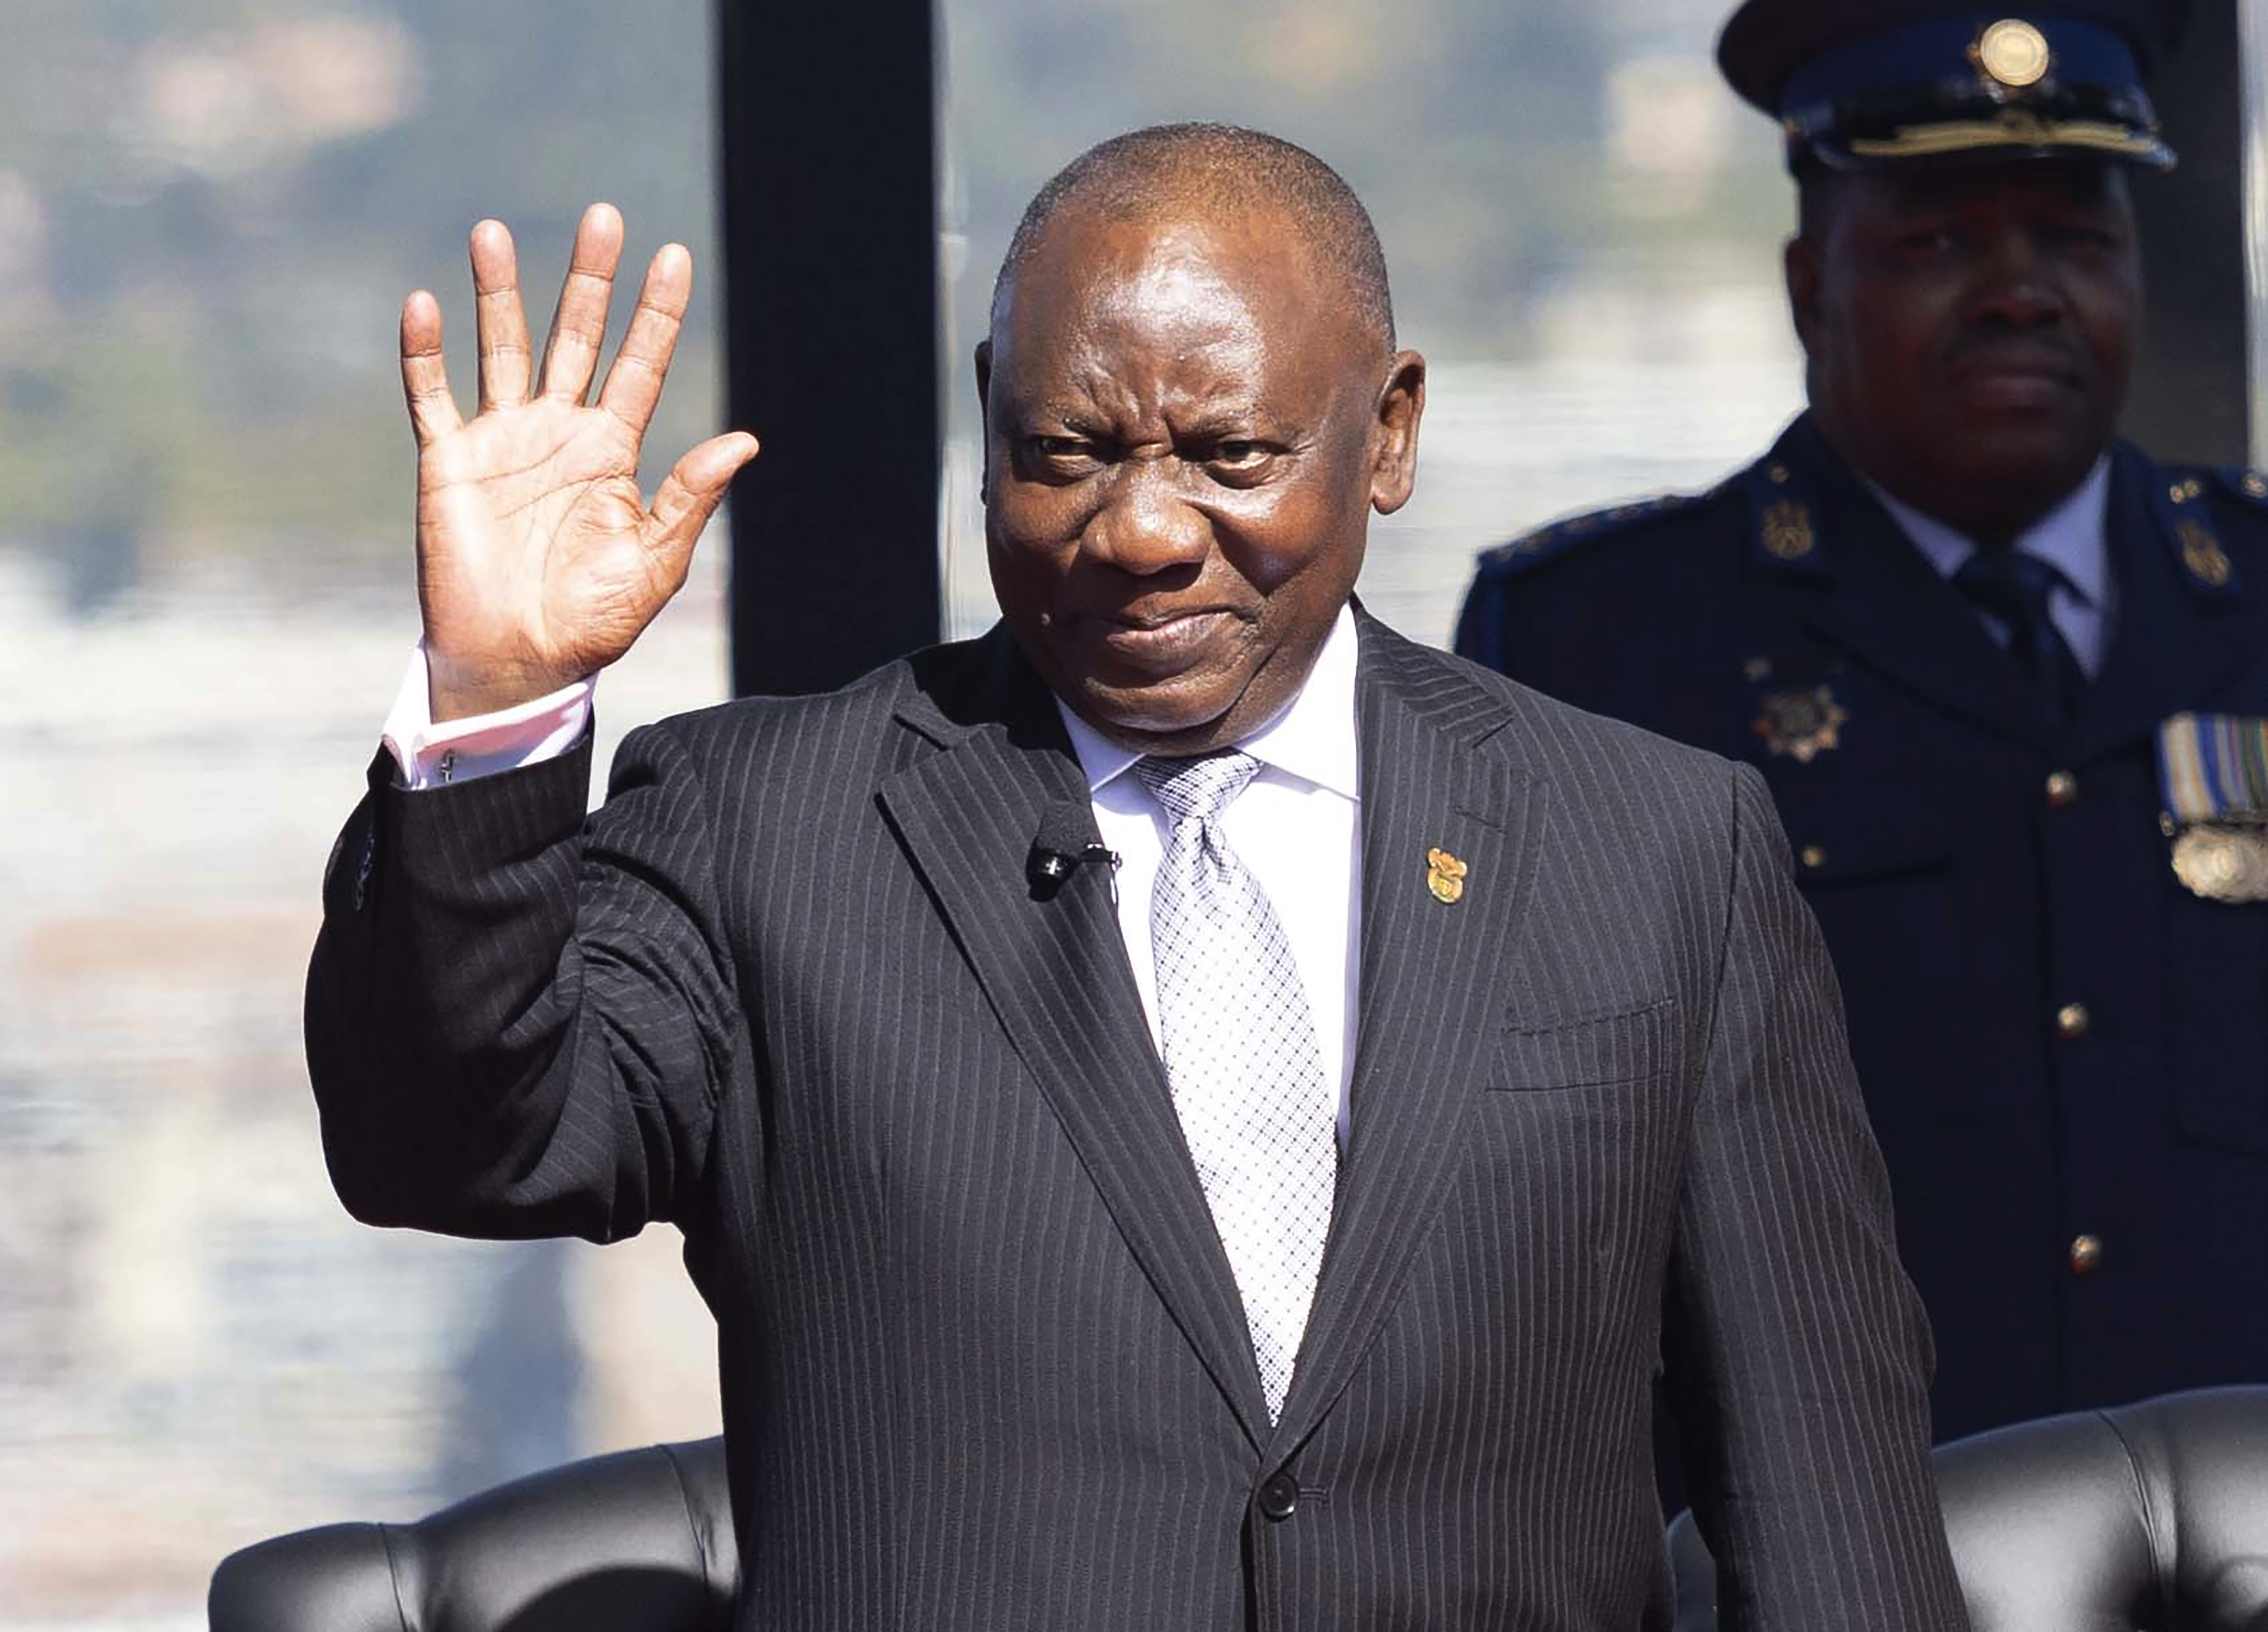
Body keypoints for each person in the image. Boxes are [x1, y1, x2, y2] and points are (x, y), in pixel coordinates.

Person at [306, 124, 1964, 1628]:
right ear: (983, 423)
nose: (1142, 530)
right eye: (1067, 452)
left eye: (1231, 453)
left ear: (1387, 434)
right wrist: (499, 704)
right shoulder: (772, 823)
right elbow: (460, 1140)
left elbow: (1826, 1505)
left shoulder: (1654, 849)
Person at [1456, 0, 2268, 1454]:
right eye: (1940, 242)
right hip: (1827, 1558)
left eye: (2078, 237)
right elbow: (1526, 1210)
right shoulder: (1608, 640)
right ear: (1805, 283)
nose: (2023, 292)